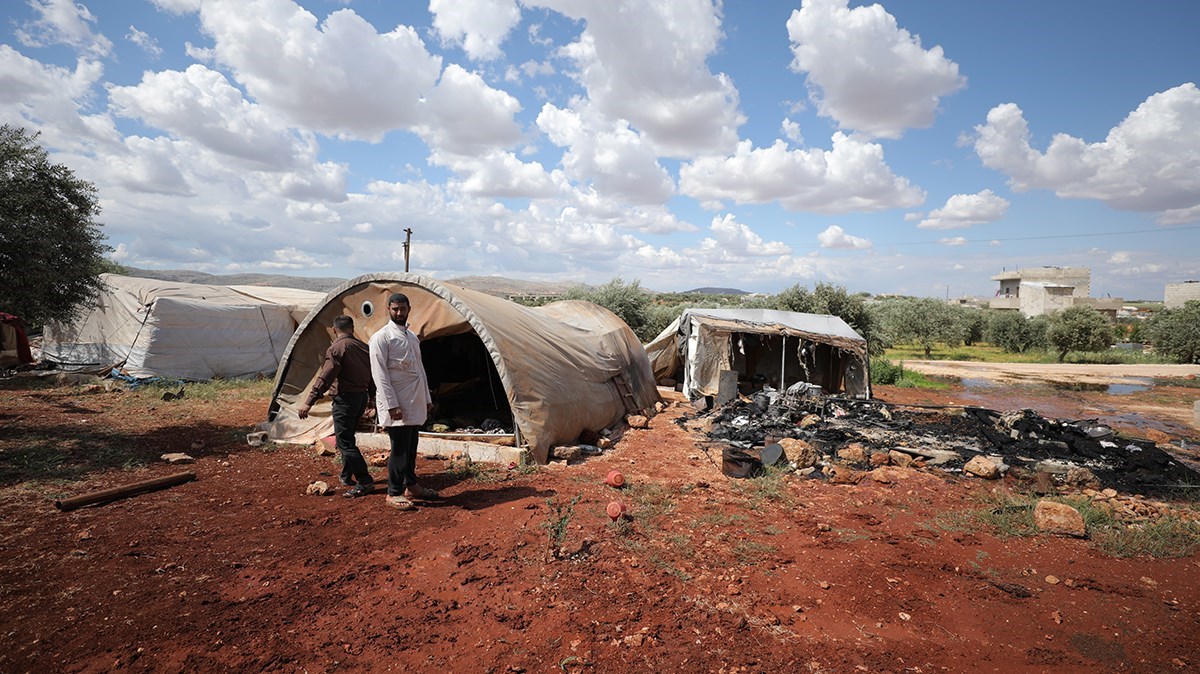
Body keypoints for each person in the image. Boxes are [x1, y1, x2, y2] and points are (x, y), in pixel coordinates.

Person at [369, 292, 439, 511]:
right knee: (399, 448)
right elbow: (379, 374)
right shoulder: (381, 338)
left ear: (409, 308)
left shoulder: (411, 337)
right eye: (395, 309)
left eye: (403, 308)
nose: (399, 312)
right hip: (397, 402)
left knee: (411, 445)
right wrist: (391, 404)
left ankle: (412, 485)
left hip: (414, 399)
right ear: (388, 310)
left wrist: (426, 398)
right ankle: (394, 492)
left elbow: (420, 369)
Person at [298, 315, 376, 498]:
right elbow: (373, 375)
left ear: (334, 329)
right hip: (360, 398)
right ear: (353, 328)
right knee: (348, 437)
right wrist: (372, 398)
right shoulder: (364, 347)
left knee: (344, 442)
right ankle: (347, 475)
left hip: (345, 400)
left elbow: (326, 377)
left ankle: (365, 481)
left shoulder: (337, 349)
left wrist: (309, 401)